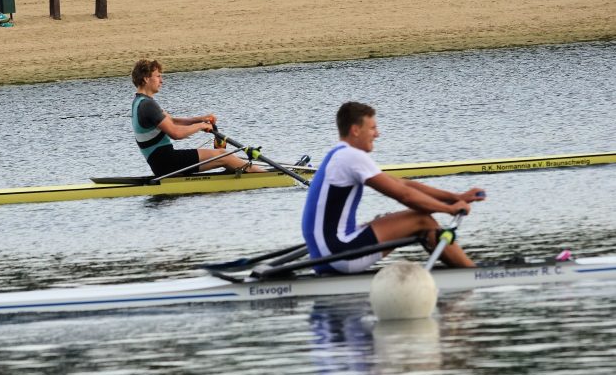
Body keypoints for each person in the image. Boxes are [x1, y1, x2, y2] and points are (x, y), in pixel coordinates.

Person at [301, 101, 485, 273]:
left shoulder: (338, 155)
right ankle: (474, 274)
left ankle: (462, 272)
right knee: (422, 219)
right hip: (338, 254)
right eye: (372, 128)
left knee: (391, 218)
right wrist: (449, 209)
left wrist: (456, 197)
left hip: (323, 254)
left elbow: (402, 184)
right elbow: (405, 196)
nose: (377, 134)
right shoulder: (351, 157)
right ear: (355, 130)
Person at [131, 59, 264, 177]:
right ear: (146, 79)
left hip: (161, 163)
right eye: (158, 76)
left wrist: (200, 119)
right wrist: (201, 126)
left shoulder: (140, 101)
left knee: (226, 158)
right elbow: (176, 133)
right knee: (224, 155)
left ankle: (245, 172)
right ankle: (264, 176)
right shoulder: (148, 105)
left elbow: (171, 121)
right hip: (167, 162)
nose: (162, 80)